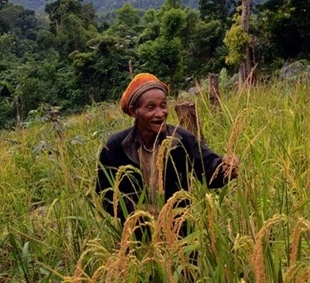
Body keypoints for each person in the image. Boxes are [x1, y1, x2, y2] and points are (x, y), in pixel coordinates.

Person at [95, 73, 238, 240]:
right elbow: (105, 193)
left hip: (181, 231)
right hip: (137, 235)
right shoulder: (116, 146)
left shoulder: (181, 140)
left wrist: (226, 167)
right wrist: (136, 213)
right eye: (151, 107)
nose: (160, 113)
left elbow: (209, 171)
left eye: (163, 105)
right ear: (135, 112)